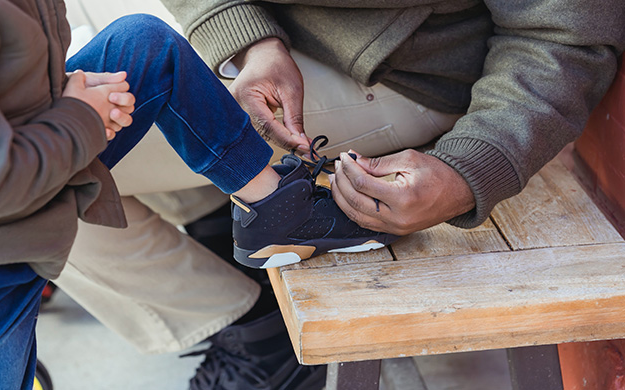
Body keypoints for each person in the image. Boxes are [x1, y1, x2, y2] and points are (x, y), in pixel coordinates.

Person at [48, 1, 625, 389]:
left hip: (400, 71)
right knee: (40, 129)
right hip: (273, 38)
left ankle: (260, 345)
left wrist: (469, 167)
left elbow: (563, 32)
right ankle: (249, 303)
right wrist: (245, 37)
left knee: (37, 176)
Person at [0, 1, 396, 388]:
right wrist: (78, 115)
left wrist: (72, 93)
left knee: (144, 44)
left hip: (33, 165)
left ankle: (277, 209)